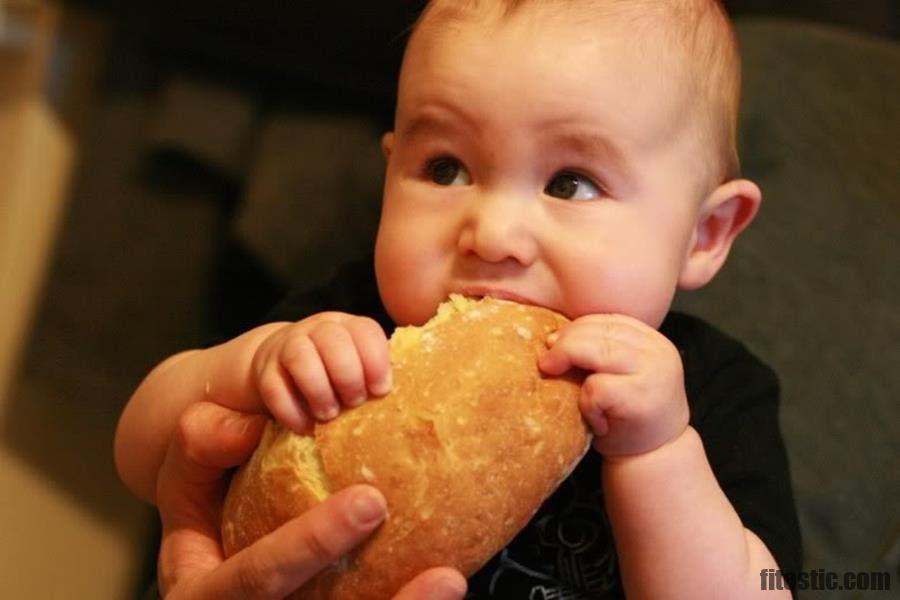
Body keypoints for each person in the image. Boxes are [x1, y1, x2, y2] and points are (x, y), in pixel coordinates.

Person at [115, 0, 802, 597]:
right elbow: (142, 457)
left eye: (570, 183)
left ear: (704, 235)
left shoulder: (710, 394)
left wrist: (657, 454)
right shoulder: (350, 327)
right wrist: (248, 365)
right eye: (446, 169)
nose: (494, 234)